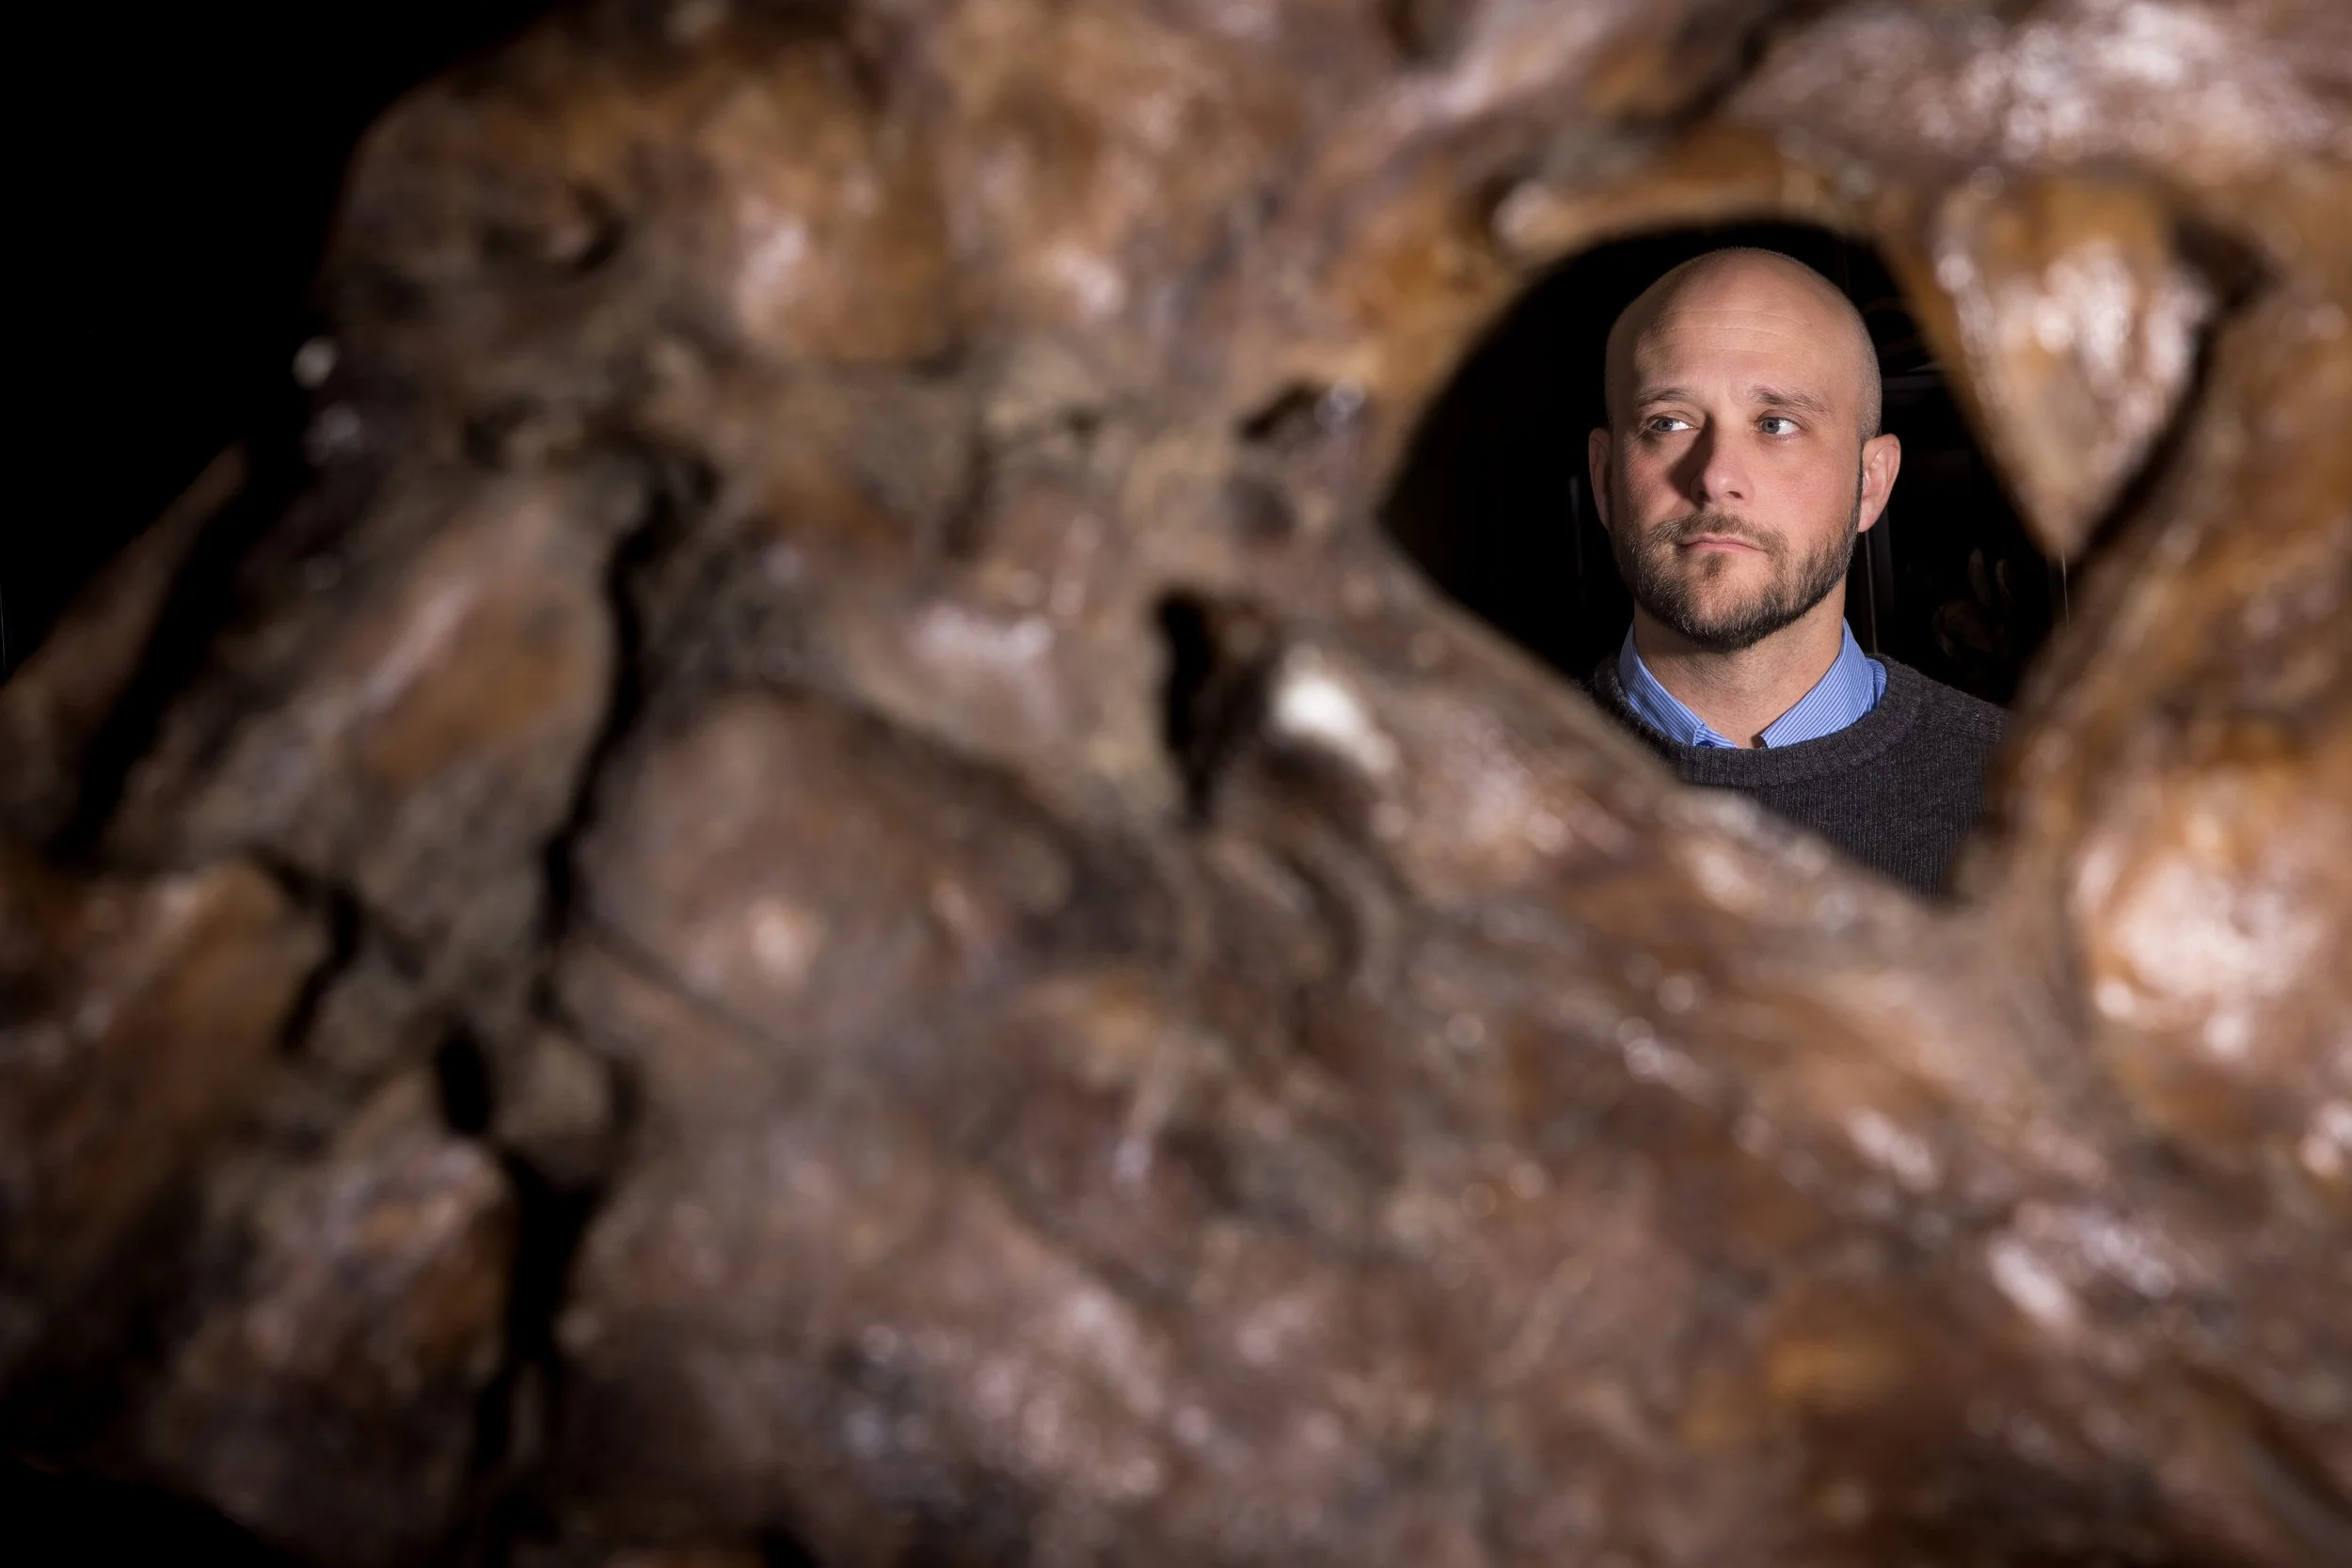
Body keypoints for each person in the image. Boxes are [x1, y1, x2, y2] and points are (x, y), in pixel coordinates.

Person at [1583, 248, 2003, 895]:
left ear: (1870, 484)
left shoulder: (2033, 807)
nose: (1717, 476)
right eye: (1668, 422)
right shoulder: (1452, 803)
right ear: (1606, 480)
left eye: (1776, 424)